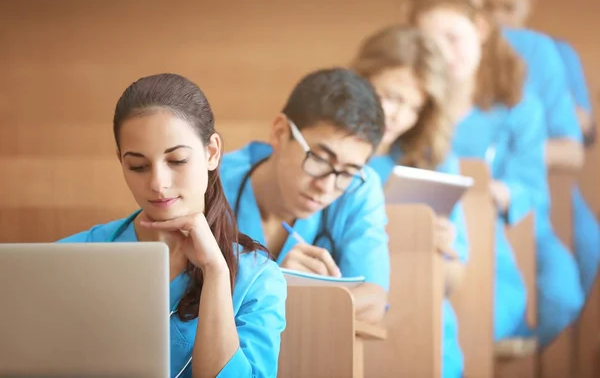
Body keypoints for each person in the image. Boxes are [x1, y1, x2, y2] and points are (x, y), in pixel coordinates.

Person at [58, 73, 287, 378]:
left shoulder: (258, 279)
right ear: (120, 161)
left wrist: (216, 272)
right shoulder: (69, 259)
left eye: (177, 160)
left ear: (212, 152)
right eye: (137, 166)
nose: (157, 183)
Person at [409, 0, 585, 347]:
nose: (445, 53)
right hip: (433, 227)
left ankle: (504, 345)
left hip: (503, 221)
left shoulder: (519, 104)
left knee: (562, 293)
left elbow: (531, 185)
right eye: (432, 43)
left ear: (480, 29)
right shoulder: (415, 105)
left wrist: (495, 193)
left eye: (453, 38)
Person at [220, 67, 390, 324]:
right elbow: (179, 301)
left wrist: (299, 298)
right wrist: (277, 288)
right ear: (280, 132)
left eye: (347, 171)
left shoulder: (359, 187)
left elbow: (374, 302)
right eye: (320, 159)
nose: (327, 186)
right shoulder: (210, 185)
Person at [351, 24, 468, 378]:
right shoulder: (332, 150)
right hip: (350, 314)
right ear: (360, 78)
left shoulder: (433, 160)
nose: (398, 115)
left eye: (413, 107)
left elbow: (454, 278)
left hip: (422, 322)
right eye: (389, 95)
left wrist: (437, 251)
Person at [481, 0, 600, 295]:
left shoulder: (549, 51)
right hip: (485, 177)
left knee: (587, 248)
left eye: (508, 8)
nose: (498, 19)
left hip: (537, 176)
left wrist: (521, 142)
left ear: (528, 3)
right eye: (487, 7)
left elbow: (583, 128)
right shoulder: (469, 47)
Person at [404, 0, 585, 172]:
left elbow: (571, 149)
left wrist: (503, 154)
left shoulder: (532, 58)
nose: (445, 54)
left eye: (453, 38)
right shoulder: (408, 54)